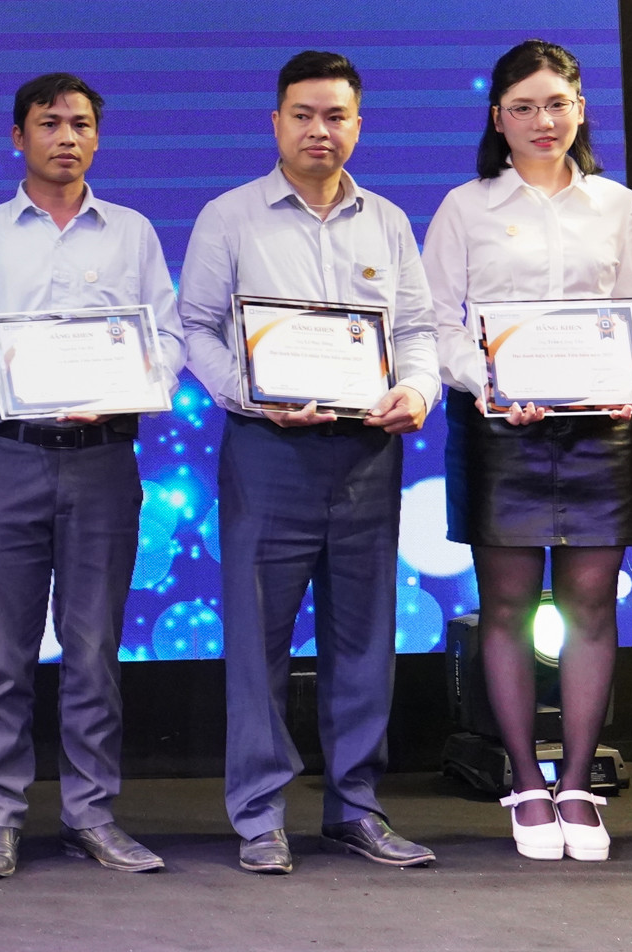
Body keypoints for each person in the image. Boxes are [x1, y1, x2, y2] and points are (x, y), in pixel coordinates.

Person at [179, 51, 440, 874]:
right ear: (276, 122)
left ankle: (355, 806)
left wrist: (418, 391)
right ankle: (260, 815)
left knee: (363, 638)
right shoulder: (230, 217)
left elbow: (419, 331)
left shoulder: (387, 222)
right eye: (303, 115)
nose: (318, 130)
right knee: (258, 639)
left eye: (335, 116)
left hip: (366, 452)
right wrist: (251, 397)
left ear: (358, 125)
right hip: (269, 452)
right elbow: (195, 329)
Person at [0, 71, 182, 880]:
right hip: (8, 457)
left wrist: (135, 381)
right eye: (48, 123)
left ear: (97, 138)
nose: (65, 137)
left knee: (94, 648)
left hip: (104, 457)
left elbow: (169, 336)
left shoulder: (132, 234)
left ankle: (91, 813)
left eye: (80, 124)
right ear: (18, 136)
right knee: (2, 652)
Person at [421, 40, 632, 863]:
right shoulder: (466, 207)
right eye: (522, 108)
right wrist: (485, 385)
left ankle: (580, 785)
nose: (542, 121)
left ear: (580, 109)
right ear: (498, 119)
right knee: (509, 607)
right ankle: (526, 783)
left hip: (600, 427)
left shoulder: (614, 204)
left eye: (556, 104)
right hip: (502, 429)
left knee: (593, 605)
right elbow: (438, 321)